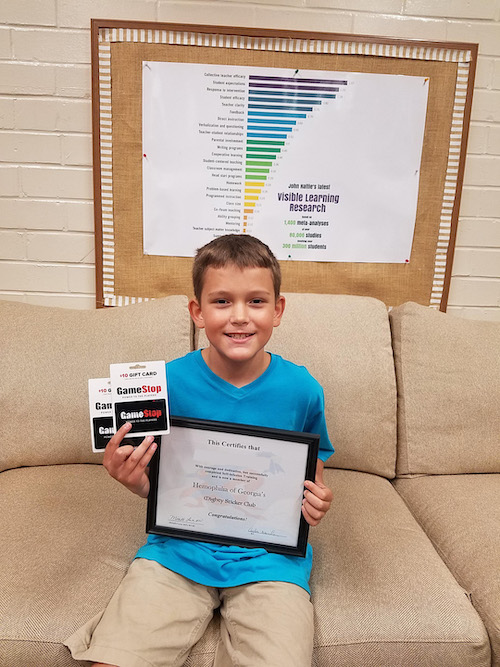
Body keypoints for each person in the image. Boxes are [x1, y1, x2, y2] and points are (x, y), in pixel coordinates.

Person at [65, 233, 334, 667]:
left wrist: (318, 497)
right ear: (197, 311)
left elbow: (311, 460)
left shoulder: (303, 389)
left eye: (257, 301)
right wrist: (135, 481)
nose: (240, 317)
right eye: (222, 301)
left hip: (270, 560)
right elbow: (158, 480)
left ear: (278, 310)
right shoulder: (162, 384)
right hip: (177, 550)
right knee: (112, 659)